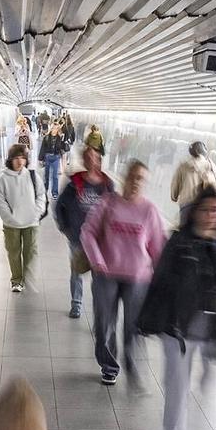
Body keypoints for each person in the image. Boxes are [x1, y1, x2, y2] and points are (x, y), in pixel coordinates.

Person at [138, 188, 216, 430]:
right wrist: (151, 319)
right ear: (194, 211)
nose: (211, 216)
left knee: (204, 381)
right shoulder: (180, 242)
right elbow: (160, 282)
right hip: (178, 328)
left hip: (208, 327)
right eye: (206, 210)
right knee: (178, 390)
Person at [81, 159, 165, 386]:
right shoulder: (107, 203)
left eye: (142, 179)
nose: (137, 182)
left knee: (134, 326)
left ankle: (132, 363)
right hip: (106, 274)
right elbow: (87, 232)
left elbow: (158, 247)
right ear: (125, 177)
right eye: (134, 176)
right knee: (104, 323)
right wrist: (96, 260)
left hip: (138, 278)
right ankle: (109, 365)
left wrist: (162, 280)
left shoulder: (150, 210)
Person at [54, 144, 113, 319]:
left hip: (100, 240)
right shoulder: (75, 183)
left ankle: (98, 310)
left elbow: (115, 209)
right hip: (77, 237)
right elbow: (59, 206)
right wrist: (65, 227)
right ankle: (76, 304)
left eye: (94, 157)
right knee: (76, 272)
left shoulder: (107, 184)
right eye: (87, 158)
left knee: (99, 276)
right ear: (84, 160)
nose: (91, 161)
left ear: (99, 160)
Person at [0, 144, 46, 293]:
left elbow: (41, 195)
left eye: (22, 158)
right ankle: (16, 280)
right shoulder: (3, 179)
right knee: (13, 252)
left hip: (31, 222)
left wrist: (36, 213)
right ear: (10, 160)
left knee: (30, 251)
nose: (19, 161)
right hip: (11, 225)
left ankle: (27, 277)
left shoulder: (32, 175)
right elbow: (1, 202)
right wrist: (10, 218)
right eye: (16, 158)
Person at [170, 141, 216, 207]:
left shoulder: (183, 166)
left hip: (186, 205)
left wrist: (174, 196)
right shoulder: (211, 165)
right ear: (204, 152)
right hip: (205, 206)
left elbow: (175, 184)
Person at [38, 118, 69, 203]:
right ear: (51, 128)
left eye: (56, 128)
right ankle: (45, 191)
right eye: (53, 128)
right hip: (48, 157)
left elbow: (61, 148)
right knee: (46, 176)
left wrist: (63, 143)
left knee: (55, 176)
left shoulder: (60, 138)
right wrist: (40, 158)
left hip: (56, 157)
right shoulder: (46, 137)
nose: (54, 130)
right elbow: (43, 148)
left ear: (58, 129)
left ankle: (54, 193)